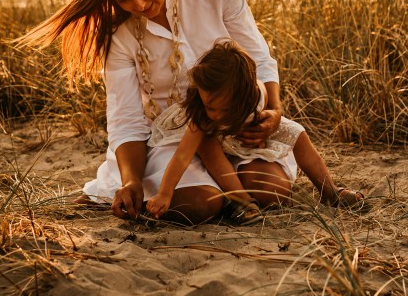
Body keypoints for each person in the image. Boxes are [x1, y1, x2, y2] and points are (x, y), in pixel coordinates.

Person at [17, 0, 363, 225]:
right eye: (124, 0)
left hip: (237, 124)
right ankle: (215, 199)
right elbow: (126, 120)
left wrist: (273, 111)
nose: (138, 4)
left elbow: (258, 53)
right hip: (169, 138)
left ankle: (243, 196)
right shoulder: (120, 36)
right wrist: (132, 180)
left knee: (269, 190)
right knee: (201, 204)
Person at [146, 38, 365, 224]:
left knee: (297, 133)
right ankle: (241, 201)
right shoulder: (203, 115)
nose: (213, 112)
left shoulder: (255, 96)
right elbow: (182, 155)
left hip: (236, 135)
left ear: (242, 99)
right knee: (207, 143)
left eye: (220, 107)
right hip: (210, 138)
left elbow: (264, 95)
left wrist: (262, 121)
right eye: (209, 105)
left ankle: (330, 192)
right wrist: (165, 193)